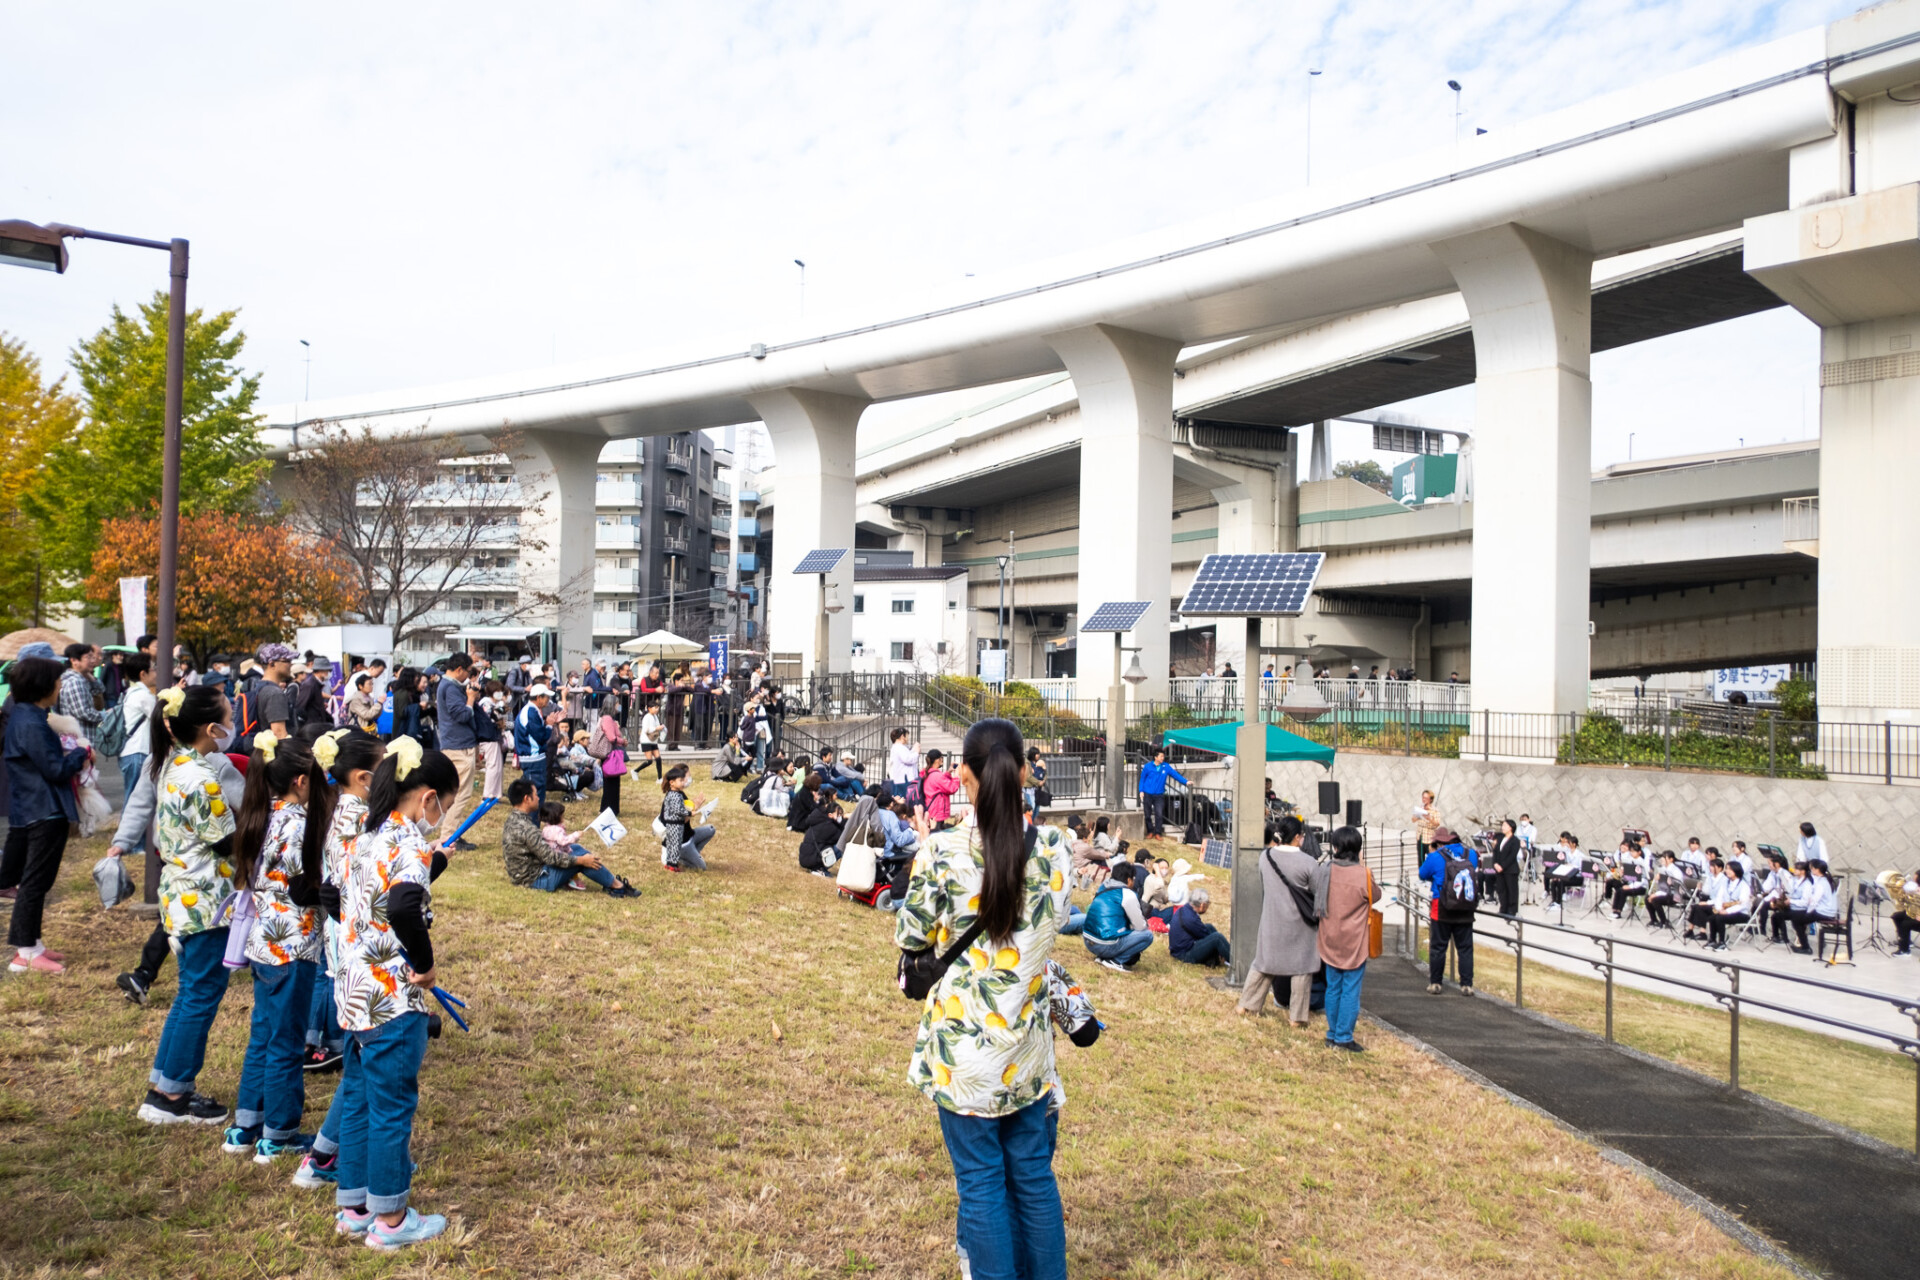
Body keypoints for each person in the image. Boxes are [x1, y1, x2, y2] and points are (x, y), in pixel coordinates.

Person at [893, 717, 1071, 1280]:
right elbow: (1055, 921)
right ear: (1024, 773)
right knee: (1034, 1179)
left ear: (964, 777)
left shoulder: (942, 852)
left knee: (981, 1183)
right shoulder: (1056, 850)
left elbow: (911, 937)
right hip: (1027, 1049)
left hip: (966, 1056)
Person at [326, 737, 456, 1249]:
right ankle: (391, 1221)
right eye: (443, 803)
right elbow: (403, 905)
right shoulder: (407, 843)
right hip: (392, 999)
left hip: (355, 991)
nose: (441, 814)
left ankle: (353, 1206)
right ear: (427, 798)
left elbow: (339, 897)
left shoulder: (365, 838)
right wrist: (423, 965)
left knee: (359, 1100)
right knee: (391, 1107)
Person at [137, 684, 241, 1125]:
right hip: (205, 901)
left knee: (190, 993)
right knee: (201, 994)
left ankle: (165, 1084)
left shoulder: (172, 764)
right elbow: (226, 841)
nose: (233, 725)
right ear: (209, 728)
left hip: (182, 893)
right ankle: (173, 1096)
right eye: (229, 717)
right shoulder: (201, 778)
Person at [227, 732, 329, 1162]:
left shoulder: (260, 814)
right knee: (287, 1041)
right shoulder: (299, 824)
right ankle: (280, 1133)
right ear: (301, 782)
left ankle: (244, 1126)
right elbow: (307, 885)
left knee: (263, 1035)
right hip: (293, 946)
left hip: (264, 943)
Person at [290, 728, 385, 1186]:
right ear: (365, 777)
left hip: (346, 948)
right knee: (367, 1062)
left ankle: (329, 1153)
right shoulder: (355, 818)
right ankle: (326, 1157)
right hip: (358, 952)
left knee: (360, 1060)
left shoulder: (342, 810)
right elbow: (364, 891)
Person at [2, 657, 92, 975]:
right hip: (44, 809)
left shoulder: (26, 716)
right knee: (34, 882)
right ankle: (25, 952)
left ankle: (33, 945)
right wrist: (81, 751)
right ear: (43, 685)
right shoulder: (32, 723)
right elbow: (54, 769)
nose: (60, 687)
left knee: (35, 882)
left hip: (33, 807)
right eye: (57, 682)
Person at [1238, 817, 1320, 1025]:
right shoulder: (1309, 863)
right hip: (1301, 923)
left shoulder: (1266, 857)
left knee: (1264, 963)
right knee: (1302, 968)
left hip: (1271, 919)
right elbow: (1319, 893)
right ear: (1298, 837)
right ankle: (1297, 1017)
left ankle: (1247, 1004)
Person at [1311, 826, 1380, 1052]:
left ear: (1335, 847)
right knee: (1350, 989)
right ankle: (1343, 1036)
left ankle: (1332, 1033)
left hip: (1329, 937)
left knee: (1333, 987)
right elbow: (1375, 895)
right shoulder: (1362, 874)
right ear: (1358, 849)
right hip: (1354, 941)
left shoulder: (1326, 870)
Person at [500, 784, 637, 896]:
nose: (538, 798)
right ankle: (617, 886)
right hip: (536, 880)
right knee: (581, 857)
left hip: (522, 875)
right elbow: (550, 858)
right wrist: (581, 861)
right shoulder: (528, 829)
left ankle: (610, 881)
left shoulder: (512, 820)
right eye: (535, 795)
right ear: (527, 799)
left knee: (575, 849)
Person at [1419, 827, 1478, 996]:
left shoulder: (1435, 856)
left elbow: (1422, 874)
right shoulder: (1471, 854)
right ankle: (1466, 985)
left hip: (1442, 906)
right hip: (1466, 906)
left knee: (1438, 946)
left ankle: (1436, 983)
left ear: (1438, 842)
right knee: (1465, 948)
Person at [434, 653, 480, 848]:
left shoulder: (448, 686)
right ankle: (449, 836)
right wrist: (470, 699)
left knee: (458, 793)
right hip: (458, 747)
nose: (469, 676)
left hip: (455, 744)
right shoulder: (450, 687)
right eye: (469, 672)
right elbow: (461, 715)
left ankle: (452, 833)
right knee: (460, 794)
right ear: (459, 669)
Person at [1082, 859, 1154, 972]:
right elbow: (1140, 926)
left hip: (1088, 940)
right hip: (1105, 943)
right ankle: (1116, 961)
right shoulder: (1127, 894)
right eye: (1133, 879)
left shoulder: (1103, 887)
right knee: (1147, 935)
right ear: (1129, 880)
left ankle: (1104, 957)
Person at [659, 763, 716, 871]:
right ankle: (676, 861)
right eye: (684, 778)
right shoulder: (673, 795)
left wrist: (696, 805)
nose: (686, 781)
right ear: (673, 782)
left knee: (710, 829)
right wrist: (690, 813)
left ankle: (690, 854)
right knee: (700, 866)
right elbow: (680, 812)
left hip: (689, 834)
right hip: (680, 835)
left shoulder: (679, 794)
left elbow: (686, 807)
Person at [118, 653, 158, 802]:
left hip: (130, 752)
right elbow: (159, 719)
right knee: (135, 801)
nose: (156, 672)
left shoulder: (131, 692)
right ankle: (126, 826)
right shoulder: (143, 696)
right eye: (153, 669)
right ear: (143, 674)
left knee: (133, 799)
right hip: (137, 752)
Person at [513, 683, 558, 805]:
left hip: (532, 758)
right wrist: (548, 725)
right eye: (546, 698)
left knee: (536, 792)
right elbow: (540, 736)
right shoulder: (530, 712)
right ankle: (532, 821)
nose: (548, 701)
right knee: (535, 795)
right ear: (538, 697)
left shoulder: (531, 711)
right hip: (533, 758)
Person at [589, 694, 629, 816]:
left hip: (610, 753)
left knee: (613, 783)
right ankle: (608, 808)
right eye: (617, 703)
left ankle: (611, 808)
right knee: (611, 784)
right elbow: (612, 737)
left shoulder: (607, 719)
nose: (619, 706)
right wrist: (623, 741)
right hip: (609, 754)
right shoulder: (607, 719)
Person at [1168, 887, 1229, 967]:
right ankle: (1233, 959)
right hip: (1184, 954)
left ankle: (1219, 955)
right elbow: (1204, 935)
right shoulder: (1191, 919)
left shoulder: (1184, 909)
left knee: (1209, 927)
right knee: (1217, 938)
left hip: (1179, 949)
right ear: (1202, 905)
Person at [250, 643, 299, 739]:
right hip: (276, 752)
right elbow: (279, 734)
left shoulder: (259, 687)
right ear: (272, 664)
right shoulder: (275, 694)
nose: (291, 664)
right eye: (287, 660)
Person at [1137, 748, 1186, 839]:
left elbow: (1175, 775)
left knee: (1159, 814)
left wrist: (1186, 782)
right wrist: (1141, 791)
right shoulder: (1148, 767)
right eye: (1161, 756)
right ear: (1155, 757)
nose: (1163, 758)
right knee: (1147, 814)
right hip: (1148, 793)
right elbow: (1142, 779)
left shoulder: (1166, 767)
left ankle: (1158, 833)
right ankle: (1150, 831)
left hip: (1159, 795)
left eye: (1163, 756)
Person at [58, 641, 104, 733]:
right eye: (88, 657)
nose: (93, 661)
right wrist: (106, 715)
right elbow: (83, 712)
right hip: (81, 738)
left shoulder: (81, 678)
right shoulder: (75, 682)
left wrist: (92, 679)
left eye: (92, 657)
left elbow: (100, 690)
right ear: (74, 660)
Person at [1708, 858, 1753, 950]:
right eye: (1727, 868)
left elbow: (1742, 904)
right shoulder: (1725, 882)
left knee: (1720, 918)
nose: (1726, 871)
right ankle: (1712, 940)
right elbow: (1719, 897)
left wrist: (1727, 911)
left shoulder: (1744, 886)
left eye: (1729, 869)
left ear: (1736, 871)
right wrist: (1719, 908)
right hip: (1726, 909)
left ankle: (1722, 942)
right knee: (1712, 917)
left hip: (1741, 913)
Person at [474, 679, 506, 803]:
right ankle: (487, 795)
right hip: (488, 737)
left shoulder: (496, 705)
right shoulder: (486, 703)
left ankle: (496, 794)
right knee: (492, 766)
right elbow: (487, 721)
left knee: (498, 766)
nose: (500, 694)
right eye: (498, 691)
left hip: (494, 737)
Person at [797, 792, 845, 875]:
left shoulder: (819, 821)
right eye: (839, 814)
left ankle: (818, 867)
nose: (841, 817)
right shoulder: (830, 827)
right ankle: (819, 868)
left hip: (807, 855)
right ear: (830, 815)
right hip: (813, 858)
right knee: (841, 846)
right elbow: (843, 836)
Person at [1490, 818, 1522, 917]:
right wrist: (1495, 863)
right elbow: (1495, 852)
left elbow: (1512, 856)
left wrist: (1502, 866)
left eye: (1505, 825)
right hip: (1499, 869)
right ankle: (1503, 908)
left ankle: (1512, 910)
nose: (1502, 827)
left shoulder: (1515, 841)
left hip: (1510, 869)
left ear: (1511, 828)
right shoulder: (1500, 839)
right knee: (1501, 889)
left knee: (1511, 890)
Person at [1646, 851, 1685, 929]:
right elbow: (1661, 884)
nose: (1662, 859)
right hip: (1664, 891)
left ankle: (1664, 921)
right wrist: (1657, 879)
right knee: (1647, 898)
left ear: (1671, 859)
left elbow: (1677, 886)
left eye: (1665, 858)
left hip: (1674, 894)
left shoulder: (1676, 871)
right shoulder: (1663, 869)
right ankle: (1654, 920)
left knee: (1655, 900)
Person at [886, 727, 920, 800]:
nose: (908, 738)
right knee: (904, 799)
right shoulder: (899, 748)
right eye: (907, 736)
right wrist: (916, 752)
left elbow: (907, 757)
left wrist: (914, 750)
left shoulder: (898, 747)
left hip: (901, 778)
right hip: (903, 779)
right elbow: (908, 759)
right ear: (902, 736)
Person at [636, 699, 665, 779]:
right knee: (649, 761)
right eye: (655, 707)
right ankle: (635, 771)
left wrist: (661, 727)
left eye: (657, 707)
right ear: (649, 708)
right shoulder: (647, 717)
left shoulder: (655, 717)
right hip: (646, 741)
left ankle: (660, 778)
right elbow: (646, 730)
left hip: (653, 741)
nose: (657, 709)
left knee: (658, 758)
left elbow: (657, 726)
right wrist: (657, 728)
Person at [1411, 789, 1440, 854]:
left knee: (1431, 859)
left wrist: (1430, 819)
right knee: (1421, 859)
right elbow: (1413, 820)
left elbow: (1437, 824)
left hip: (1430, 839)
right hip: (1420, 838)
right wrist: (1418, 817)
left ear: (1431, 799)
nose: (1424, 799)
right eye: (1423, 797)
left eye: (1426, 798)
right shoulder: (1419, 808)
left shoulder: (1435, 810)